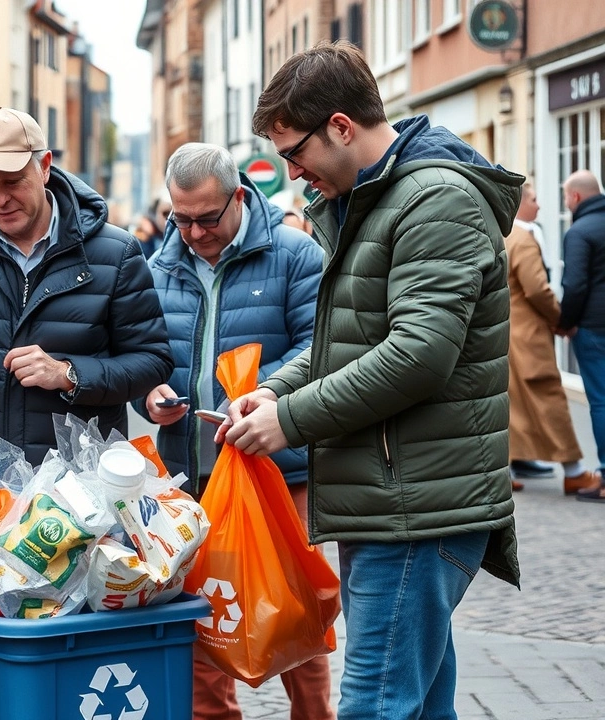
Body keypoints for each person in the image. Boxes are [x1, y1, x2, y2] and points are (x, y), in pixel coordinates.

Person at [221, 41, 522, 719]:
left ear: (341, 127)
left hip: (414, 507)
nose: (292, 174)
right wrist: (276, 389)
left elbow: (418, 354)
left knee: (376, 705)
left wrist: (290, 420)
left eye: (294, 152)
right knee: (417, 703)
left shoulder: (433, 199)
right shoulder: (382, 196)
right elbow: (350, 339)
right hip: (399, 498)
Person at [135, 143, 331, 720]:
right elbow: (146, 356)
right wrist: (150, 395)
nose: (193, 232)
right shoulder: (158, 267)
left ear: (239, 198)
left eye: (206, 217)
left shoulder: (295, 255)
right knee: (197, 614)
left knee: (293, 608)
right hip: (187, 480)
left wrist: (261, 392)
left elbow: (317, 349)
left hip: (279, 473)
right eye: (180, 218)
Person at [0, 107, 172, 465]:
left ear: (45, 166)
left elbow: (153, 362)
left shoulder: (116, 252)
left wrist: (68, 374)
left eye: (12, 182)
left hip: (80, 483)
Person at [505, 183, 597, 495]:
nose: (540, 205)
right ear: (518, 205)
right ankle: (575, 472)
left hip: (507, 333)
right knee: (550, 400)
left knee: (510, 405)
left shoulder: (501, 235)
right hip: (529, 335)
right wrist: (561, 320)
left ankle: (503, 473)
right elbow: (538, 290)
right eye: (533, 199)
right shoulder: (524, 239)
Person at [558, 170, 605, 503]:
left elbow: (574, 286)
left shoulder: (579, 232)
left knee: (601, 401)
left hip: (593, 328)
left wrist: (565, 323)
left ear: (574, 197)